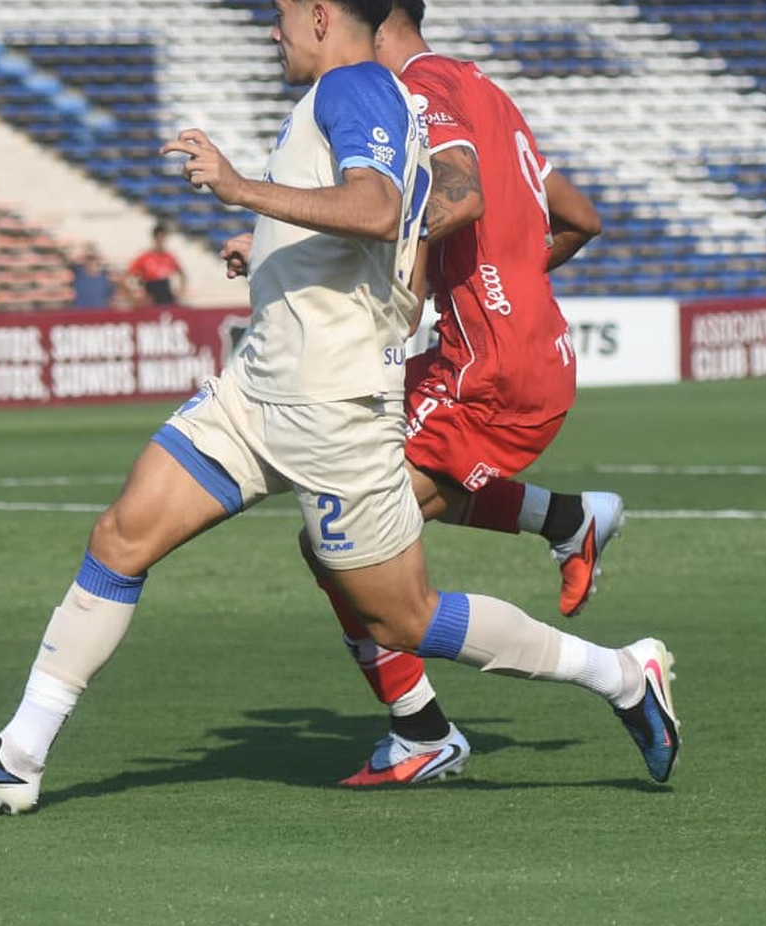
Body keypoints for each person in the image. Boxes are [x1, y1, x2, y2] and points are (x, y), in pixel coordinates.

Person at [0, 0, 679, 815]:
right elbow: (390, 226)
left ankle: (621, 673)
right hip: (256, 389)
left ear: (318, 15)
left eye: (277, 14)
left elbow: (378, 207)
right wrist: (272, 242)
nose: (269, 31)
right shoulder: (350, 97)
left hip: (333, 409)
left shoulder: (359, 89)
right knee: (121, 536)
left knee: (405, 618)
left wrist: (239, 187)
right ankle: (19, 754)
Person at [221, 0, 616, 786]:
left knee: (339, 546)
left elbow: (456, 198)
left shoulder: (420, 84)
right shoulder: (484, 89)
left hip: (488, 372)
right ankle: (568, 518)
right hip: (501, 351)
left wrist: (481, 295)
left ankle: (433, 726)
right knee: (361, 504)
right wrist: (510, 287)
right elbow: (579, 218)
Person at [125, 223, 184, 306]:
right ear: (154, 238)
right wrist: (136, 293)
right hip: (150, 292)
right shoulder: (144, 257)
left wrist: (181, 291)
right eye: (159, 237)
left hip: (166, 293)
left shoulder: (169, 256)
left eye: (163, 237)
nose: (161, 240)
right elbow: (129, 276)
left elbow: (181, 273)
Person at [68, 243, 116, 310]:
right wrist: (83, 252)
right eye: (88, 259)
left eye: (93, 259)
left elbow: (111, 297)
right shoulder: (77, 272)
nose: (91, 262)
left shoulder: (105, 276)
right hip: (80, 313)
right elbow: (69, 262)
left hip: (99, 313)